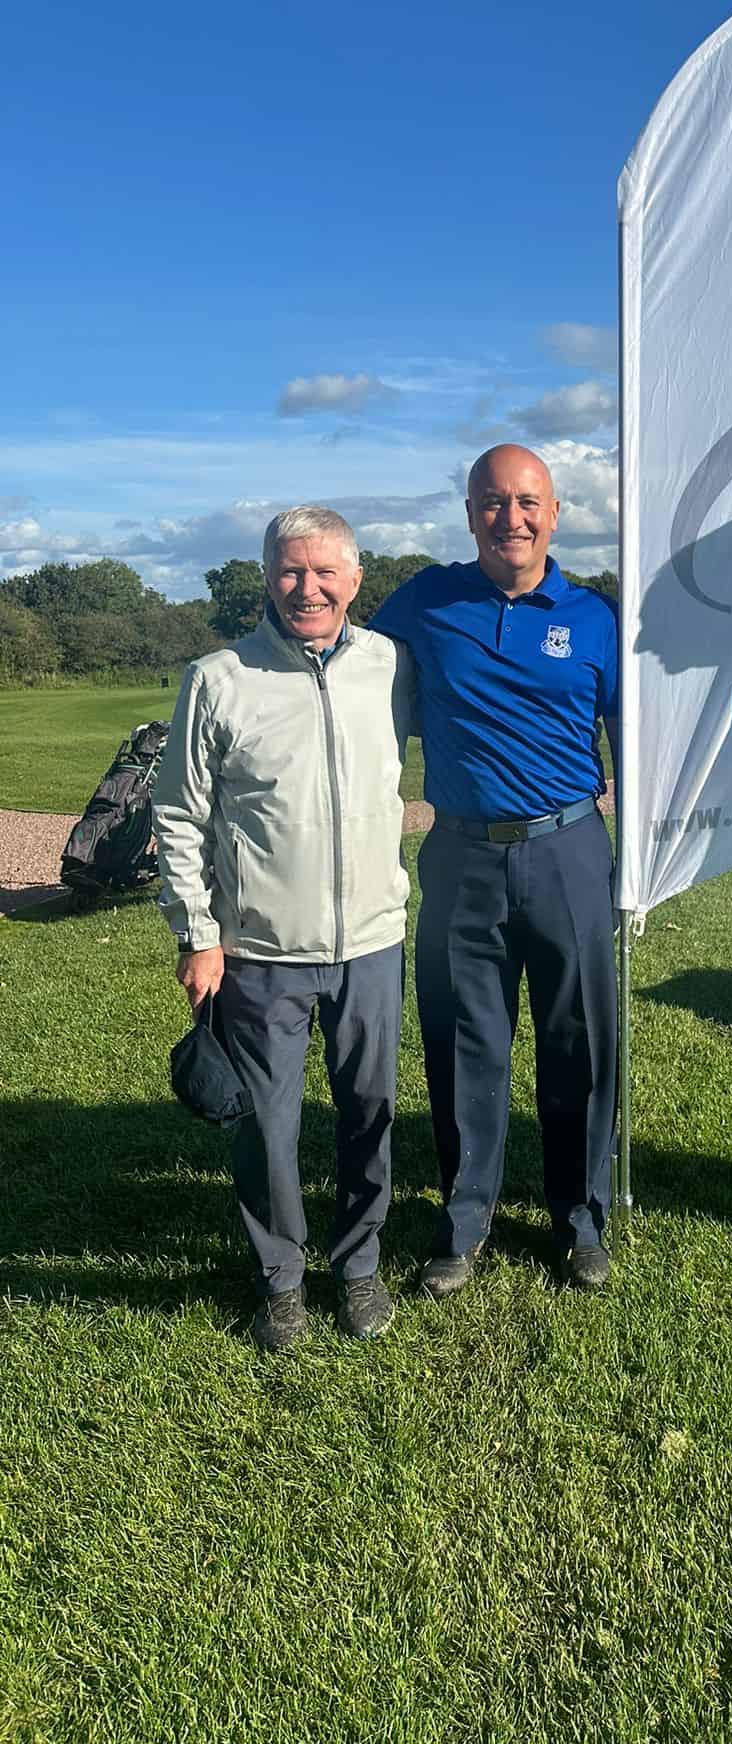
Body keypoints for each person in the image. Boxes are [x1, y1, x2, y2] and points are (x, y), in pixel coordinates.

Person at [153, 507, 413, 1351]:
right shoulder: (218, 678)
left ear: (354, 577)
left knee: (369, 1112)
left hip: (372, 941)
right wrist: (198, 934)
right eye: (289, 572)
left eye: (323, 572)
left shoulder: (388, 666)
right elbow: (180, 816)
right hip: (261, 953)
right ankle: (282, 1279)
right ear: (266, 577)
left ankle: (361, 1263)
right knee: (268, 1128)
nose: (306, 588)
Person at [370, 444, 619, 1294]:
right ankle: (464, 1218)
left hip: (569, 851)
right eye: (492, 502)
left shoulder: (593, 618)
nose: (509, 518)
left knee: (577, 1037)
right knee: (464, 1041)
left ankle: (581, 1218)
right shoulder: (425, 602)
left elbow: (636, 739)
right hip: (460, 854)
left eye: (526, 502)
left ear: (554, 513)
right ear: (470, 510)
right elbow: (348, 675)